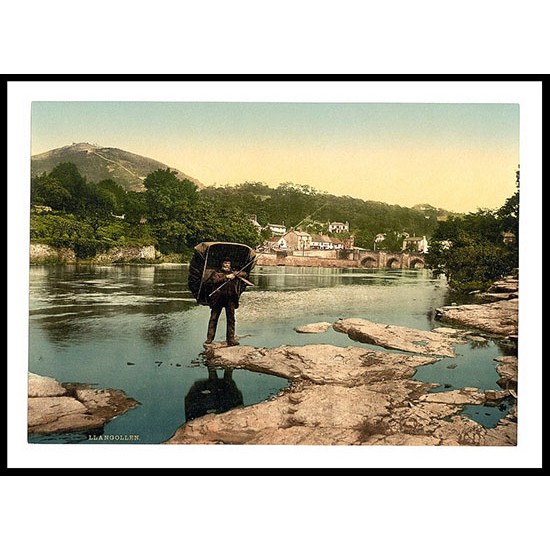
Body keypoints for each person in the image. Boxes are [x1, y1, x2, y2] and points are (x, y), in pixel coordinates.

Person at [205, 258, 246, 346]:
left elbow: (245, 274)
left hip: (230, 299)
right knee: (214, 318)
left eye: (228, 263)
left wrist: (235, 274)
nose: (227, 265)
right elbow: (214, 280)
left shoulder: (234, 273)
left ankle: (231, 340)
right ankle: (209, 339)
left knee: (231, 319)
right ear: (222, 264)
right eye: (225, 263)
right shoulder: (216, 273)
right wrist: (226, 277)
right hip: (218, 299)